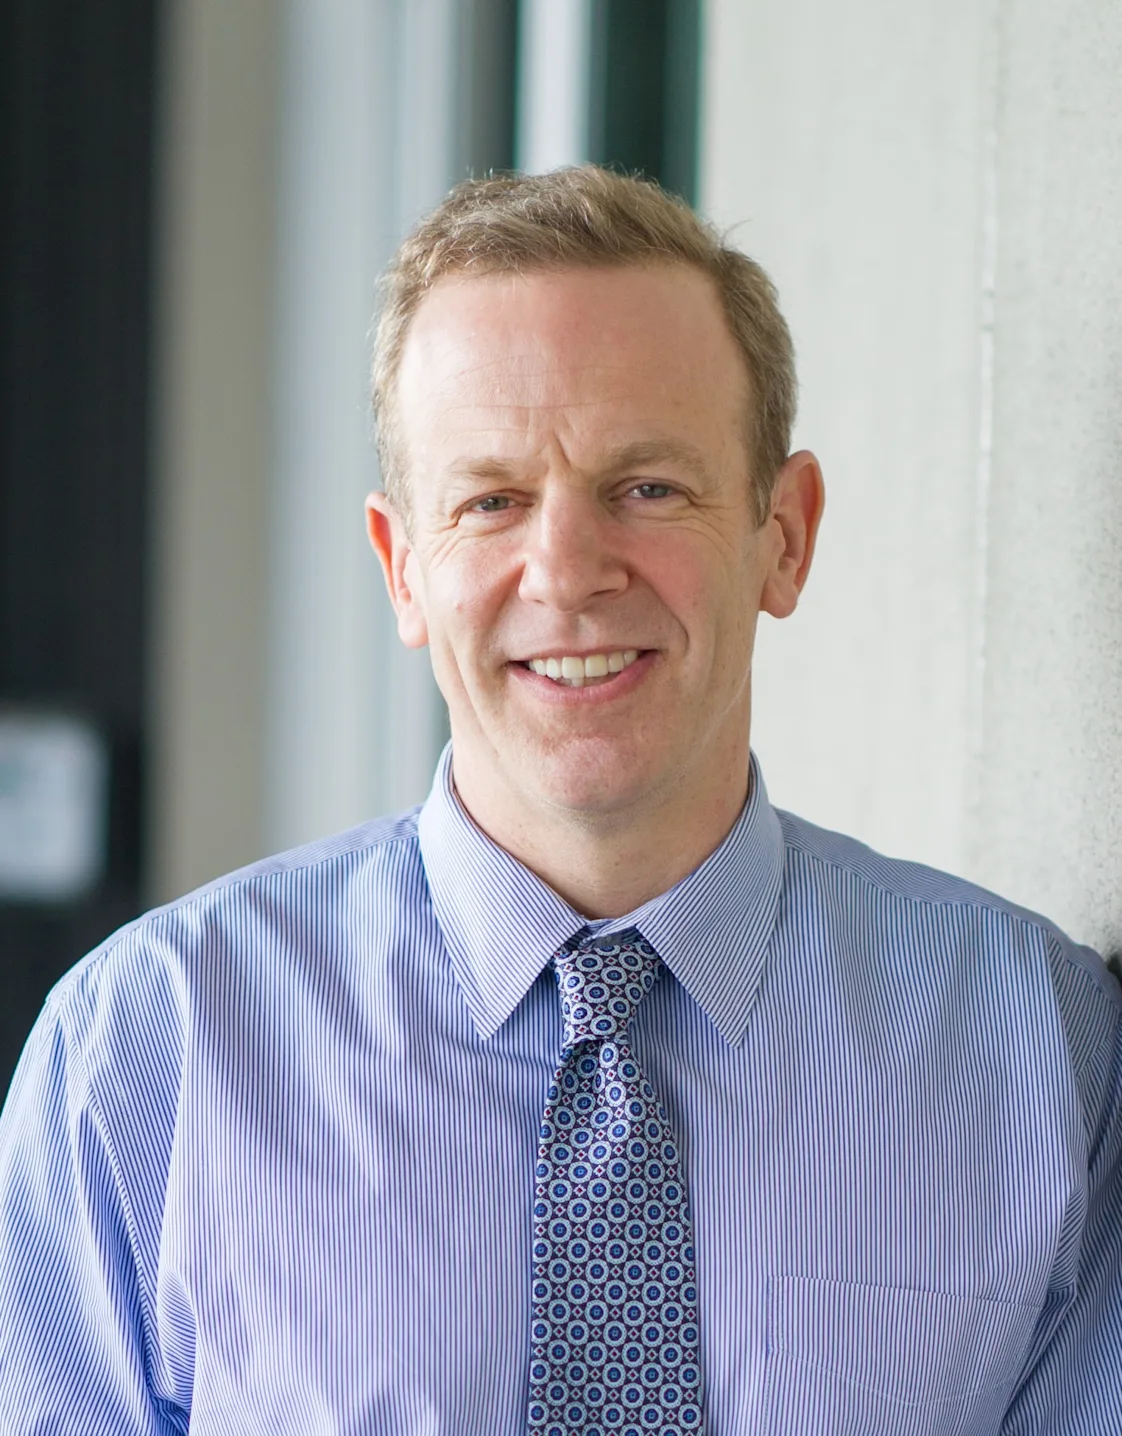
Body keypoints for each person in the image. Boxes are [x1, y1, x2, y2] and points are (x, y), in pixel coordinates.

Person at [1, 166, 1119, 1435]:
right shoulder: (152, 1051)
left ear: (785, 534)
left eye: (648, 486)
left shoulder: (1043, 1051)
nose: (569, 570)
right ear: (402, 567)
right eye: (492, 500)